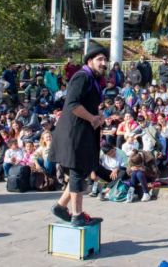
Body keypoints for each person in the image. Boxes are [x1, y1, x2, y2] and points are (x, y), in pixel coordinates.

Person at [49, 43, 108, 227]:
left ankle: (60, 206)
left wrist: (98, 115)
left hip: (83, 132)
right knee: (76, 173)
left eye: (105, 59)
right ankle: (77, 215)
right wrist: (92, 118)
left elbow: (87, 103)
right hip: (73, 133)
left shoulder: (92, 79)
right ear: (89, 61)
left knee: (81, 171)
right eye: (100, 59)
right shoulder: (81, 77)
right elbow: (73, 104)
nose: (104, 63)